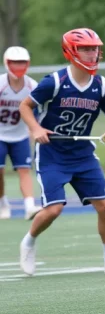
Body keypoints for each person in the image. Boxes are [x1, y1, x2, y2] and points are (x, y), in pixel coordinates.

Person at [18, 28, 105, 276]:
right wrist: (36, 128)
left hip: (83, 155)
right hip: (52, 154)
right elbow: (25, 107)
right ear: (71, 51)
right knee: (54, 209)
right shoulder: (55, 82)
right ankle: (28, 241)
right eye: (86, 49)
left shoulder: (101, 86)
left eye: (95, 49)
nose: (93, 54)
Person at [0, 47, 42, 220]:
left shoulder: (32, 86)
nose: (18, 66)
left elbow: (38, 111)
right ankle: (3, 203)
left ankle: (29, 206)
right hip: (0, 135)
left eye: (22, 63)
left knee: (25, 170)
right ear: (7, 63)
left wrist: (36, 128)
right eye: (14, 63)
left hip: (20, 135)